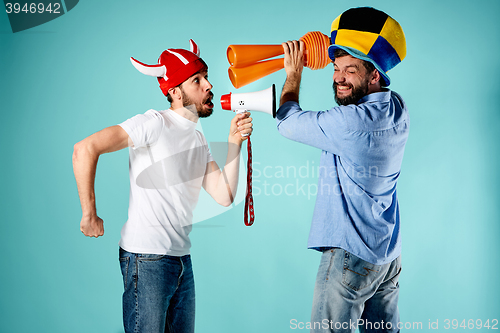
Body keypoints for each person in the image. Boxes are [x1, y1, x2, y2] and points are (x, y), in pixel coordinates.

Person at [72, 39, 253, 333]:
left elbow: (223, 195)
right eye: (197, 80)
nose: (208, 85)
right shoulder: (153, 123)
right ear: (174, 91)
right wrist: (88, 214)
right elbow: (85, 148)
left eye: (206, 77)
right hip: (147, 260)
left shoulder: (197, 137)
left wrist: (234, 141)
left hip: (182, 260)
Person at [277, 7, 409, 333]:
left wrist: (293, 73)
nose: (338, 78)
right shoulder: (396, 108)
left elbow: (286, 123)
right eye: (336, 68)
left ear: (375, 74)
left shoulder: (350, 123)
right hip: (387, 256)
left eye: (350, 70)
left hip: (350, 257)